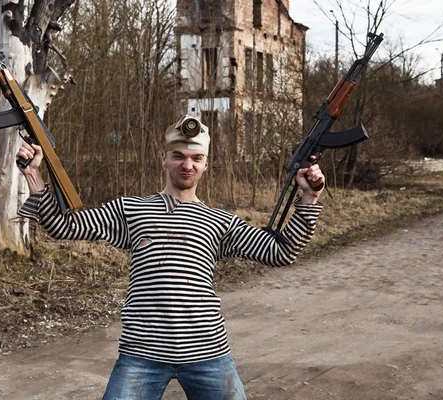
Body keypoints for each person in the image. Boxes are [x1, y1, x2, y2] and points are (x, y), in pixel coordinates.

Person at [16, 115, 325, 400]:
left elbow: (281, 251)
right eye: (178, 155)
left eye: (195, 158)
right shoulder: (131, 209)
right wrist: (34, 175)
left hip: (207, 352)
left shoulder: (221, 221)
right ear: (164, 159)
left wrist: (309, 198)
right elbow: (63, 226)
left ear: (206, 165)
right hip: (142, 353)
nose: (186, 164)